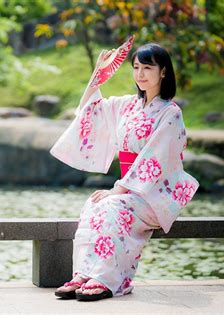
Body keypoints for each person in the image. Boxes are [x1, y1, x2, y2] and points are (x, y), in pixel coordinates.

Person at [50, 42, 199, 301]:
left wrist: (117, 190)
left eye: (147, 67)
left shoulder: (170, 113)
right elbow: (89, 112)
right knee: (93, 205)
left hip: (155, 193)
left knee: (111, 207)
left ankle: (108, 280)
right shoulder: (128, 105)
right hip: (129, 189)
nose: (140, 74)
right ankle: (84, 273)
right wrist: (98, 75)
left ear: (163, 71)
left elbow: (155, 161)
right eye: (136, 67)